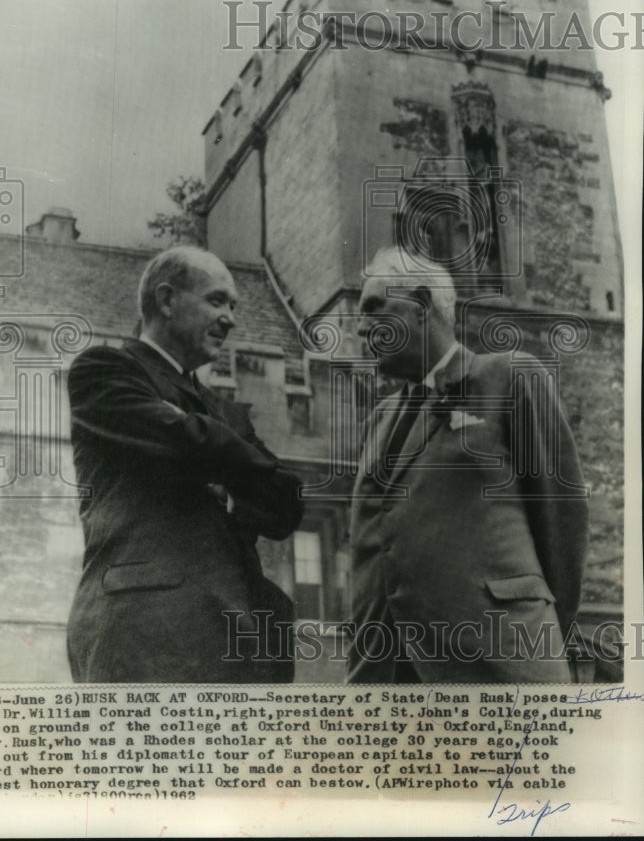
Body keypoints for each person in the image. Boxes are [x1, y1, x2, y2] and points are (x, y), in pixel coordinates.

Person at [347, 247, 589, 684]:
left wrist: (545, 637)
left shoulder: (510, 377)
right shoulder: (377, 421)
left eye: (374, 308)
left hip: (500, 667)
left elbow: (561, 522)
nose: (361, 327)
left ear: (421, 305)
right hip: (389, 679)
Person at [66, 245, 303, 683]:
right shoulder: (103, 370)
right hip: (146, 633)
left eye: (233, 306)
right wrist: (230, 459)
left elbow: (286, 504)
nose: (230, 319)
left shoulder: (225, 410)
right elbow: (184, 440)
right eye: (217, 301)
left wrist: (203, 443)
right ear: (167, 299)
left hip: (242, 641)